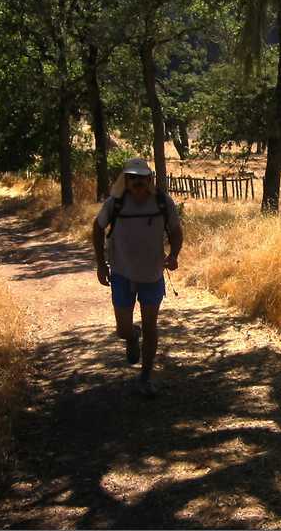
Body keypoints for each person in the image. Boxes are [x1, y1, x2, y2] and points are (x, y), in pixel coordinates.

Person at [92, 158, 183, 397]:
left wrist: (173, 255)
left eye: (142, 178)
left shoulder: (163, 203)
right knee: (122, 329)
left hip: (152, 274)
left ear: (149, 180)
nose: (138, 183)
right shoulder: (116, 203)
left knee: (151, 325)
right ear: (126, 180)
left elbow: (175, 230)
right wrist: (101, 265)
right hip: (121, 273)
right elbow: (97, 227)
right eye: (133, 178)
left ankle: (146, 376)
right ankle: (132, 338)